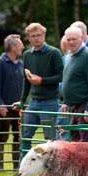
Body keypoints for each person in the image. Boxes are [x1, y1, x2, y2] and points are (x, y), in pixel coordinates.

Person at [15, 23, 63, 156]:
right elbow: (27, 80)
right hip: (33, 102)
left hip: (49, 101)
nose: (36, 38)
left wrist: (41, 80)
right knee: (24, 136)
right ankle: (22, 170)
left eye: (39, 35)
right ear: (29, 38)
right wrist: (22, 101)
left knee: (50, 139)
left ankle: (52, 170)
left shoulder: (54, 53)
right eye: (33, 36)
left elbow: (61, 76)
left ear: (44, 36)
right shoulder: (27, 55)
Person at [61, 26, 88, 142]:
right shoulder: (68, 57)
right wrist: (66, 102)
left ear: (81, 38)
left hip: (87, 105)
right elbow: (68, 80)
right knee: (75, 144)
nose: (71, 42)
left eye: (74, 39)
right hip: (76, 106)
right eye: (68, 40)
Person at [0, 34, 24, 171]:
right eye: (20, 44)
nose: (22, 47)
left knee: (18, 136)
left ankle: (16, 165)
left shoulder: (21, 63)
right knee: (2, 136)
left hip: (18, 108)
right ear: (12, 47)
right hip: (5, 108)